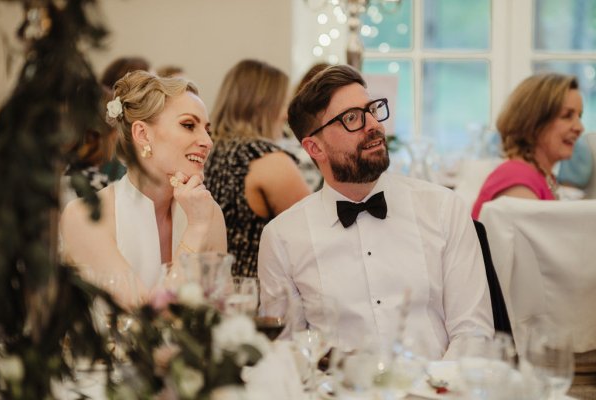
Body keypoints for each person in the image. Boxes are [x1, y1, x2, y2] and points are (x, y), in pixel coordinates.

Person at [257, 64, 493, 360]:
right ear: (315, 148)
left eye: (372, 110)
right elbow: (286, 350)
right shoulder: (282, 238)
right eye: (352, 118)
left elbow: (473, 334)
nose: (374, 125)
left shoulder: (444, 209)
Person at [60, 71, 226, 307]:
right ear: (142, 134)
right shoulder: (85, 217)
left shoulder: (209, 213)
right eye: (189, 125)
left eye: (207, 130)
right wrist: (196, 230)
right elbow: (145, 324)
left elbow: (223, 314)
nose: (207, 142)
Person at [204, 59, 310, 278]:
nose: (286, 115)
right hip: (256, 297)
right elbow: (311, 235)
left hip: (210, 290)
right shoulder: (269, 161)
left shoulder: (205, 150)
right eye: (283, 104)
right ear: (262, 107)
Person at [472, 73, 584, 219]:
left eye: (579, 116)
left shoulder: (541, 175)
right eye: (567, 116)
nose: (579, 127)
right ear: (533, 122)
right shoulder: (517, 181)